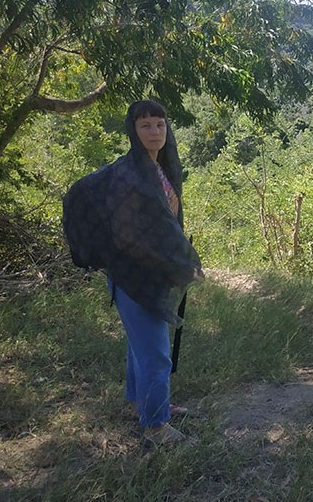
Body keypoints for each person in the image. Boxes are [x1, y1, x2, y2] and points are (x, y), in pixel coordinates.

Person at [63, 100, 204, 446]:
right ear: (133, 130)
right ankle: (156, 427)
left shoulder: (160, 169)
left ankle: (139, 404)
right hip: (133, 275)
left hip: (151, 273)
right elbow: (127, 232)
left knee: (139, 346)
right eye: (146, 126)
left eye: (160, 124)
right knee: (155, 351)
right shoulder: (128, 174)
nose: (155, 132)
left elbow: (163, 224)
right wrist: (176, 262)